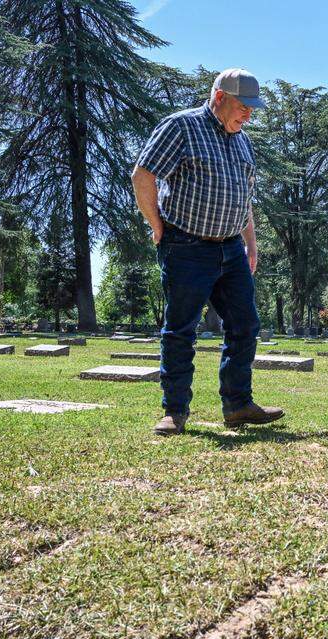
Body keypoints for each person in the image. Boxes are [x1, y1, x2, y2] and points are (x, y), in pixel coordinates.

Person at [131, 68, 284, 436]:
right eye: (242, 106)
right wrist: (157, 227)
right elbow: (143, 175)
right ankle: (175, 412)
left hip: (231, 248)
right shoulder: (181, 126)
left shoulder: (243, 140)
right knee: (181, 329)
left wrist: (250, 243)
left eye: (252, 109)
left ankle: (237, 405)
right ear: (219, 98)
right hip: (186, 245)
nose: (248, 114)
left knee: (245, 325)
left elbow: (244, 198)